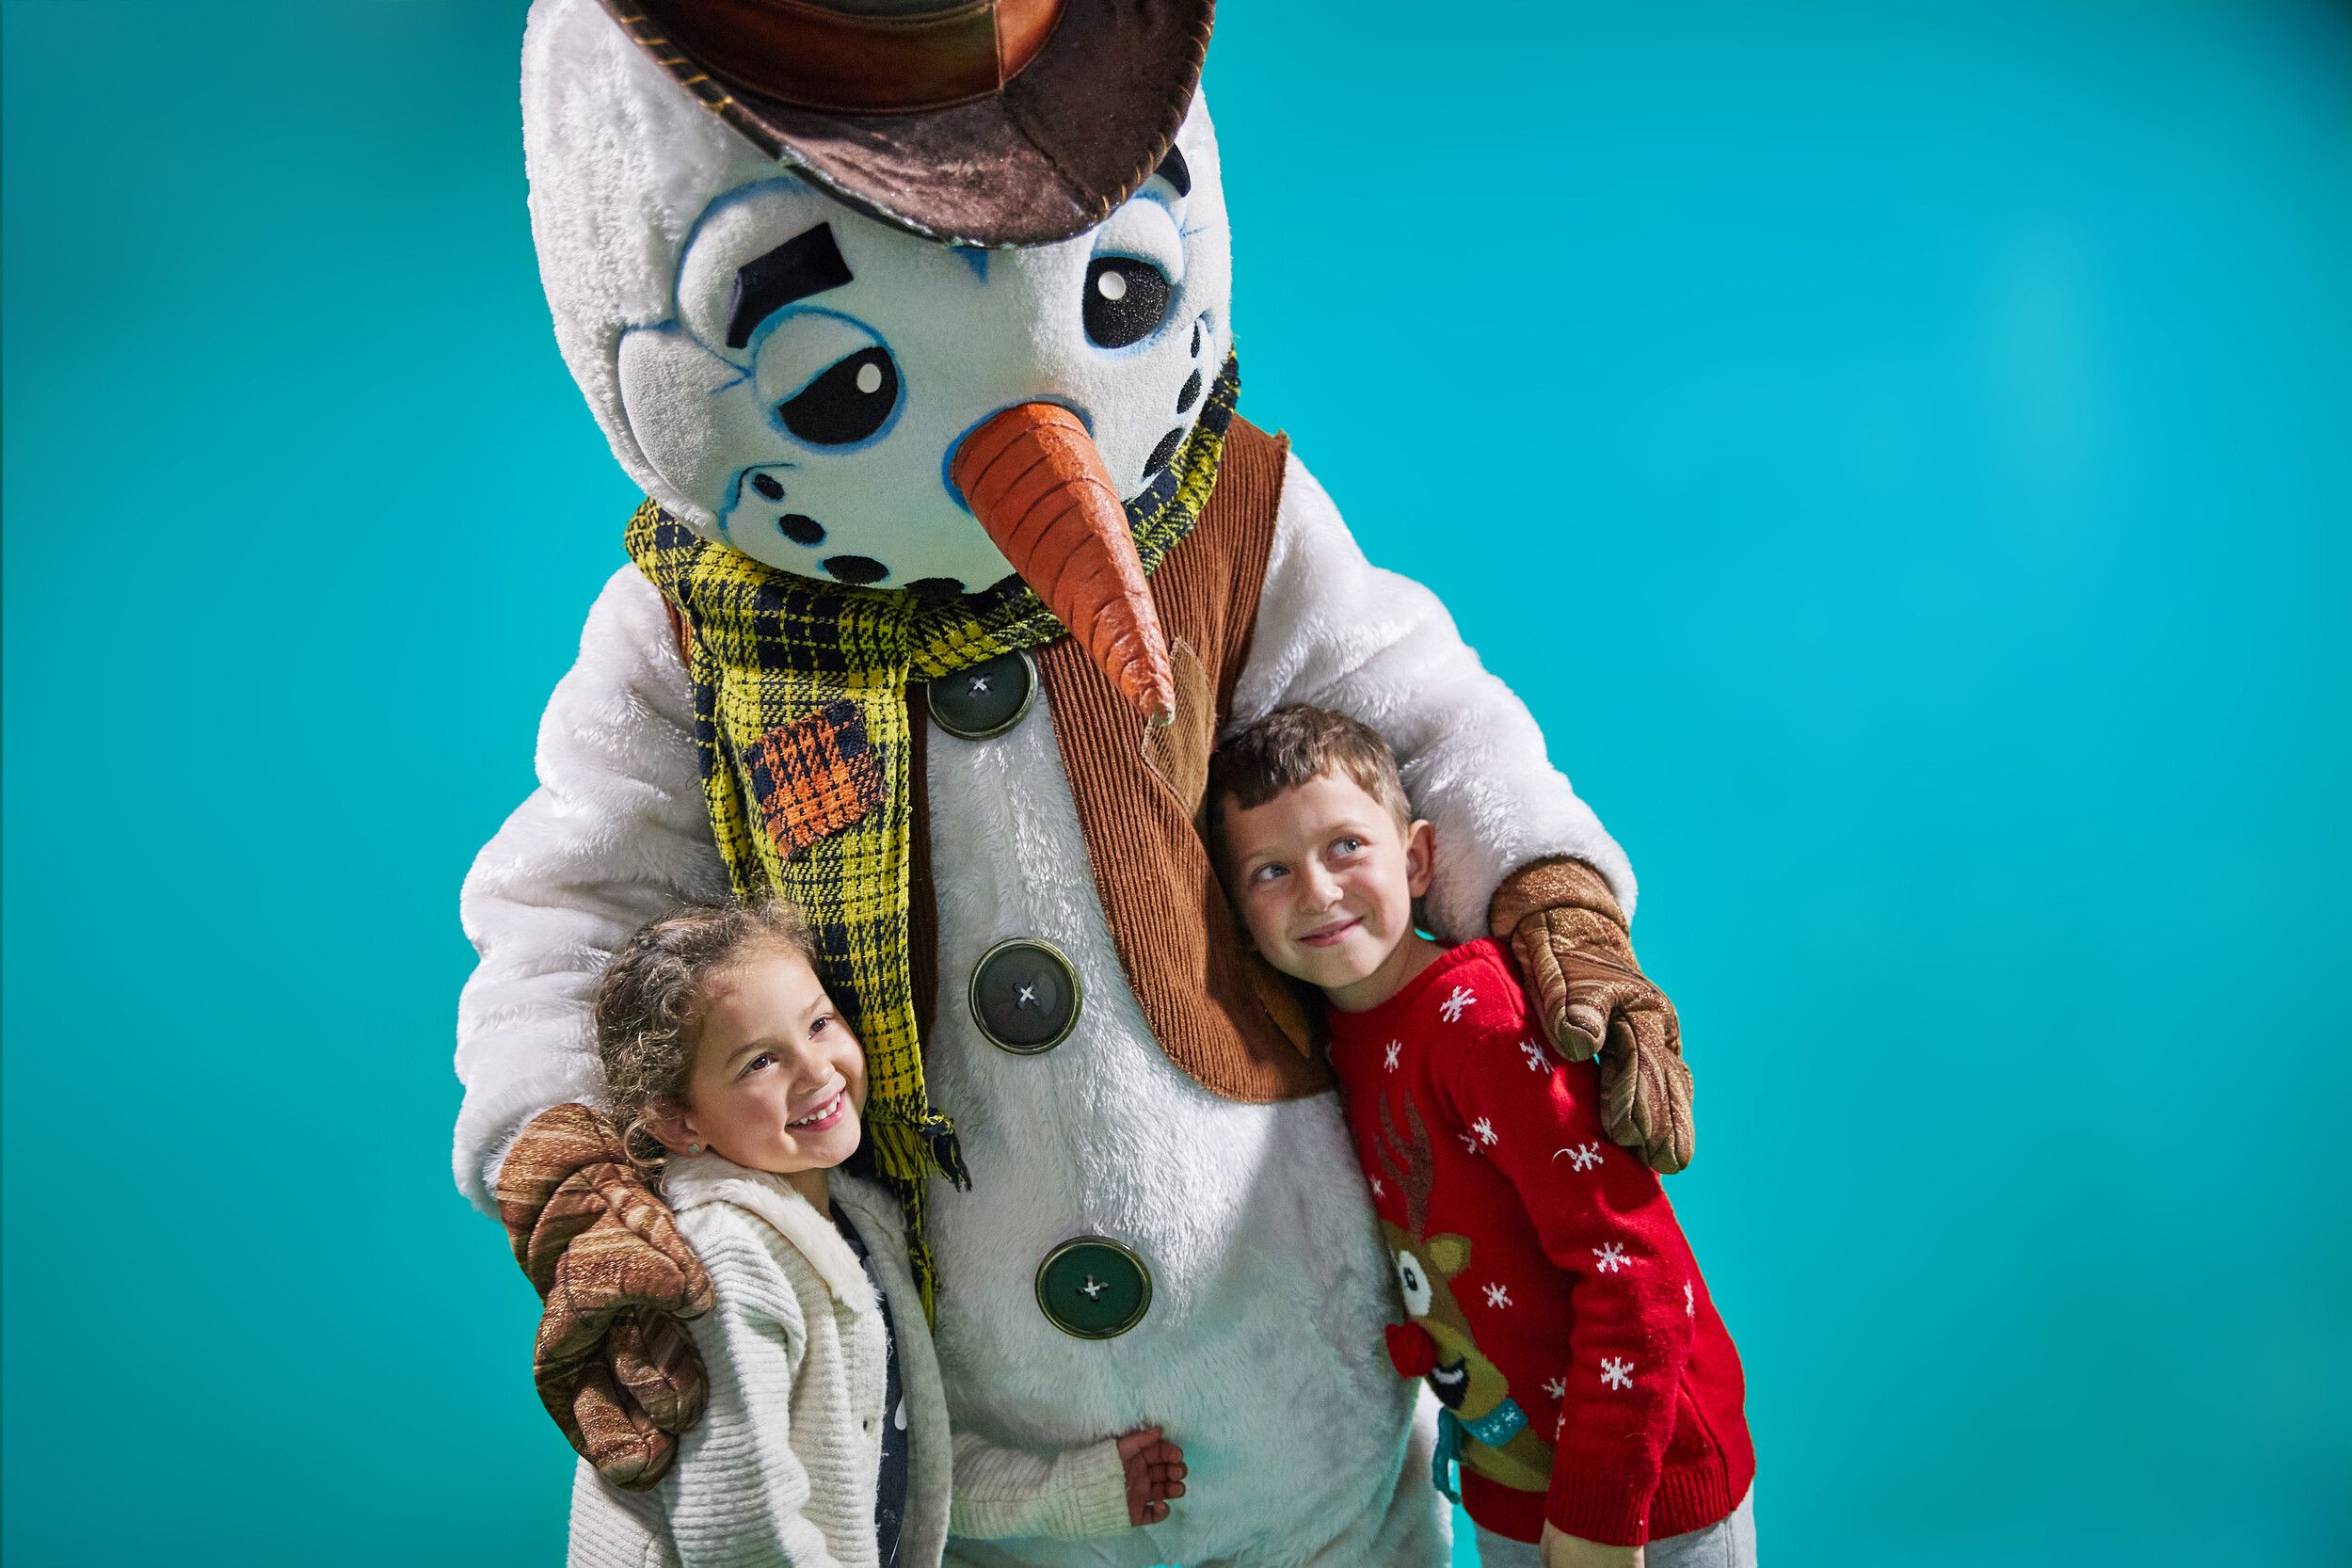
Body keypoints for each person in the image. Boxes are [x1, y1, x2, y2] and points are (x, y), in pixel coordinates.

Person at [1206, 708, 1755, 1568]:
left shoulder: (1480, 1023)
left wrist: (1599, 1515)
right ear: (1238, 915)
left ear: (1415, 859)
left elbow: (1633, 1266)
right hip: (1512, 1486)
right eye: (1271, 870)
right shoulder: (1329, 1043)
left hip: (1643, 1490)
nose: (1316, 891)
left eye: (1345, 846)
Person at [565, 899, 1187, 1568]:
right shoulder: (722, 1260)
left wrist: (1064, 1493)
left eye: (819, 1023)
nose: (816, 1071)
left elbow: (895, 1459)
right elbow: (736, 1532)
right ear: (678, 1122)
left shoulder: (860, 1222)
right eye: (759, 1061)